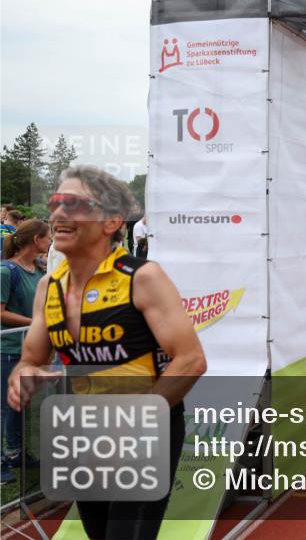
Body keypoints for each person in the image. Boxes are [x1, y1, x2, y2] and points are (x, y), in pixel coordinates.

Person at [6, 165, 207, 538]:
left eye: (75, 204)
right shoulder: (49, 287)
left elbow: (191, 359)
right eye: (56, 203)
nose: (58, 215)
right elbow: (32, 358)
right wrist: (23, 375)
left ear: (112, 221)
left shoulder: (143, 278)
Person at [0, 219, 50, 484]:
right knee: (5, 407)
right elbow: (1, 313)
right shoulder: (6, 272)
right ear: (35, 240)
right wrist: (35, 323)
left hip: (29, 349)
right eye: (48, 237)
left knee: (21, 405)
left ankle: (17, 453)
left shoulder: (38, 270)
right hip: (7, 349)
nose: (51, 242)